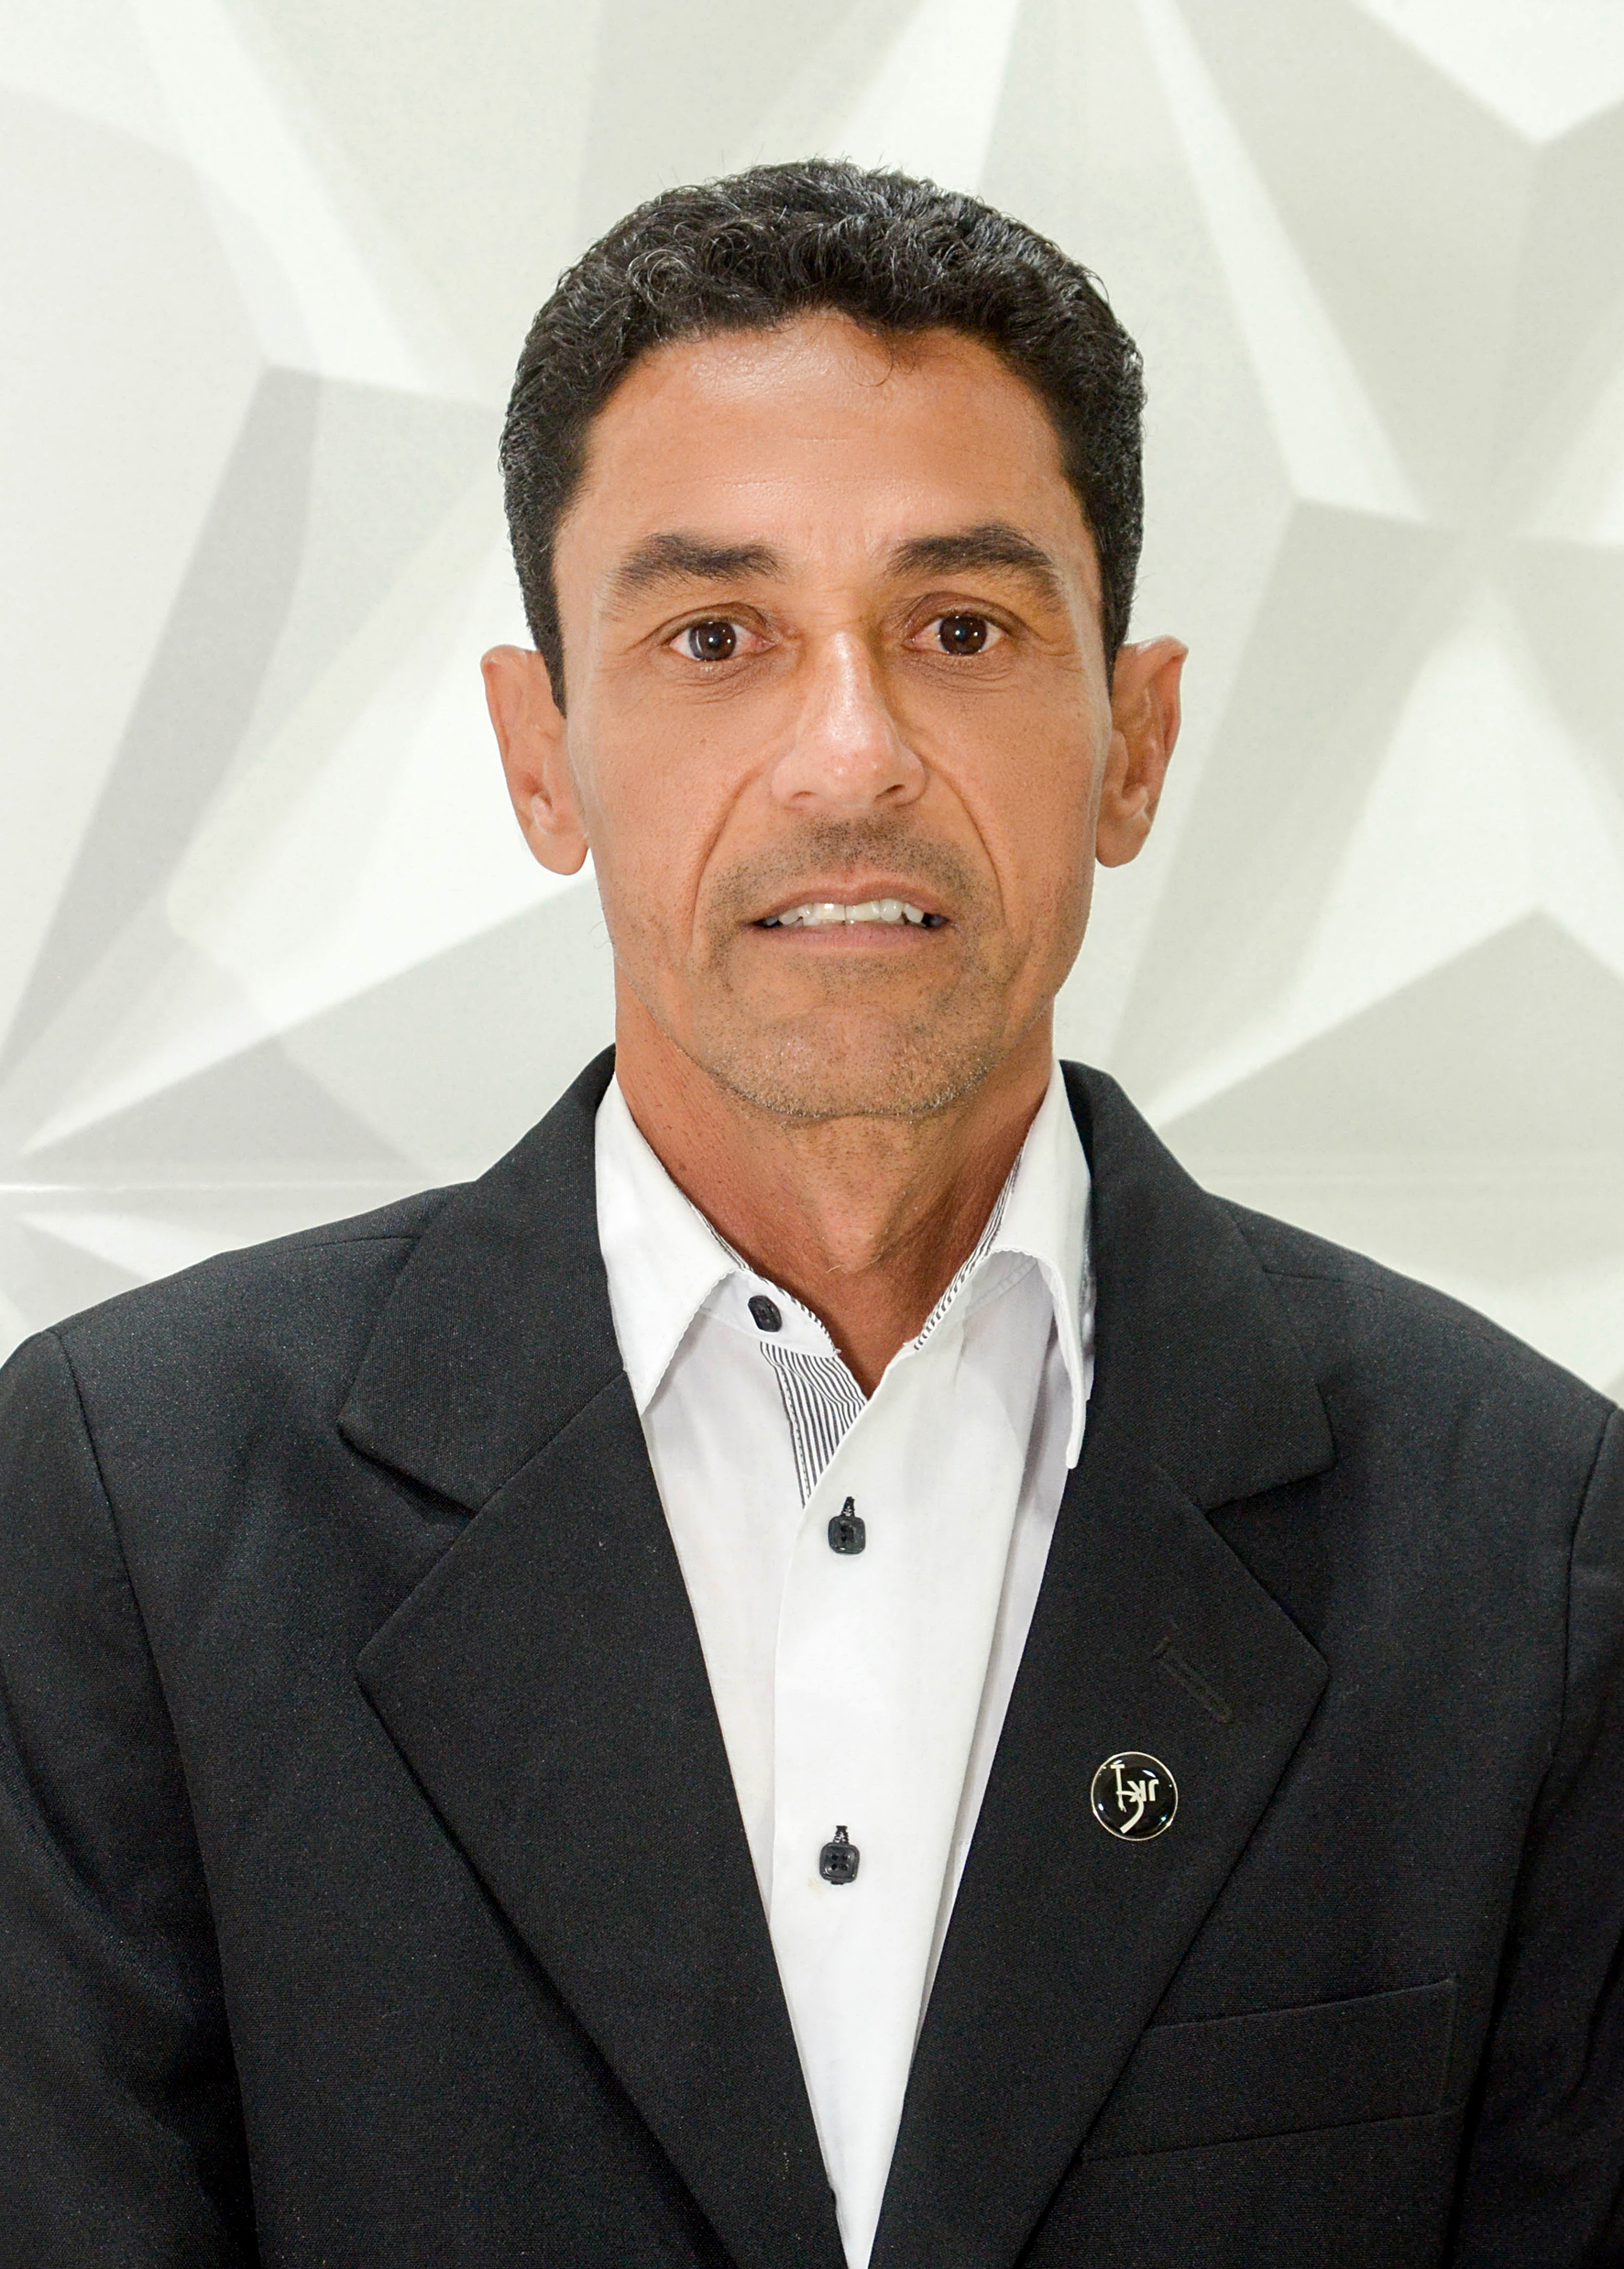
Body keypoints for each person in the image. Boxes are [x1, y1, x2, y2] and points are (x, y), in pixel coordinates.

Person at [1, 160, 1619, 2269]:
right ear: (541, 753)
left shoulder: (1528, 1538)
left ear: (1130, 741)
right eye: (714, 637)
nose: (846, 757)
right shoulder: (124, 1504)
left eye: (959, 629)